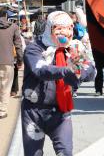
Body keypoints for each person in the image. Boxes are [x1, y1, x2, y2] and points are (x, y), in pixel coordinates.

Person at [21, 11, 96, 156]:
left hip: (61, 111)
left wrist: (80, 72)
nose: (65, 32)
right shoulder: (35, 48)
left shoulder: (72, 50)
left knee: (65, 152)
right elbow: (40, 69)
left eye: (69, 28)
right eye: (59, 28)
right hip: (33, 111)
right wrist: (65, 71)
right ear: (49, 28)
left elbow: (88, 70)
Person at [0, 7, 23, 119]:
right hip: (7, 61)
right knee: (5, 86)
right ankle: (2, 111)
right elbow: (18, 46)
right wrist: (20, 60)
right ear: (6, 15)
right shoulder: (13, 27)